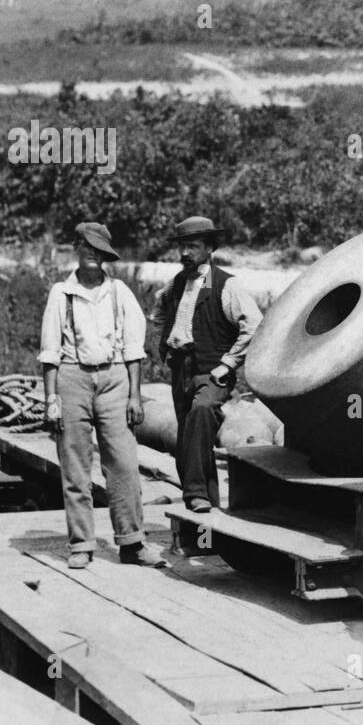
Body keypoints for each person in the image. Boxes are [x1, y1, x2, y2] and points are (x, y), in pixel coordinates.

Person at [39, 222, 166, 569]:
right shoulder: (60, 293)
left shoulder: (120, 292)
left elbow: (134, 349)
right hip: (71, 379)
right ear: (77, 247)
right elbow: (50, 353)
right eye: (87, 247)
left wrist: (135, 396)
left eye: (100, 250)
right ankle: (81, 544)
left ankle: (132, 543)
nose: (93, 255)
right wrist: (52, 401)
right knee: (75, 466)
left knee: (123, 464)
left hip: (114, 380)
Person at [151, 216, 262, 513]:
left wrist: (228, 364)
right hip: (181, 367)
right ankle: (204, 514)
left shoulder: (226, 284)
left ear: (209, 248)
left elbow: (254, 325)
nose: (186, 253)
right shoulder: (175, 283)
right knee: (187, 437)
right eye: (182, 247)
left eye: (193, 246)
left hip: (213, 371)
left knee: (202, 413)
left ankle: (195, 493)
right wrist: (164, 345)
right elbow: (158, 314)